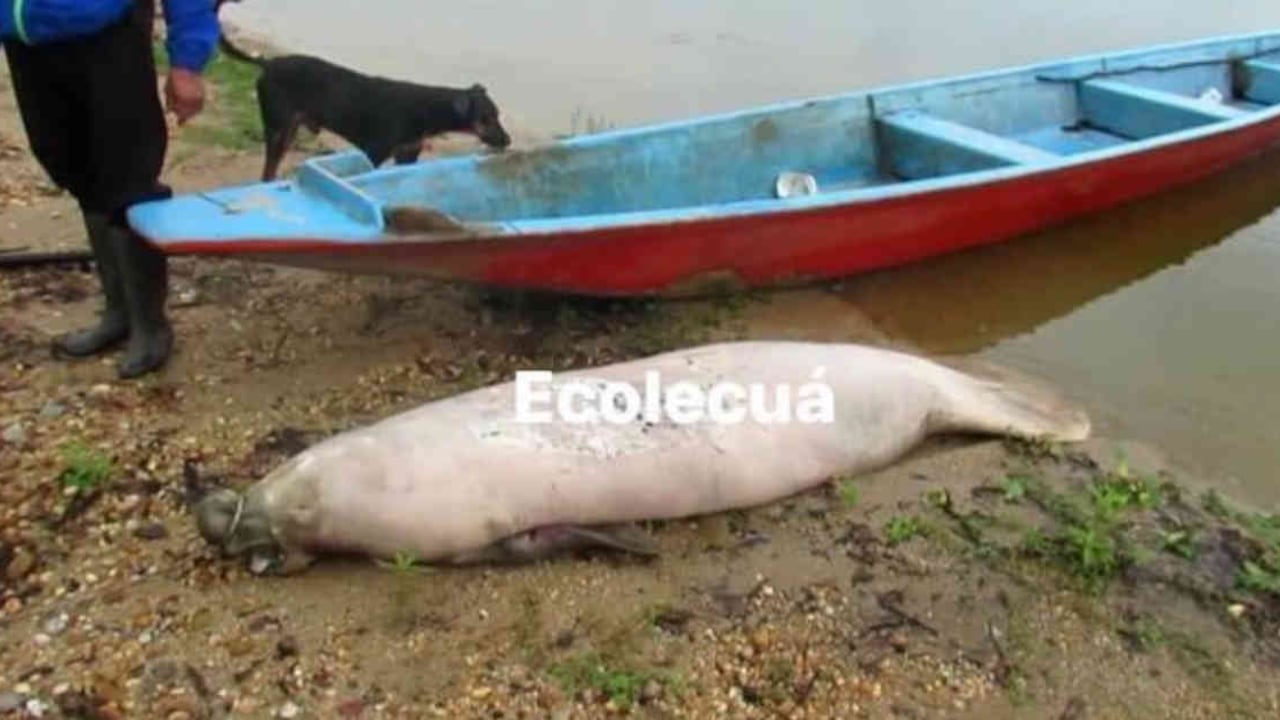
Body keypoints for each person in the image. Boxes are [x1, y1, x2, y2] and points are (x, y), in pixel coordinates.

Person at [1, 0, 218, 378]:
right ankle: (118, 312)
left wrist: (187, 61)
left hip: (107, 38)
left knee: (129, 175)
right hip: (26, 40)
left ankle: (150, 325)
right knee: (73, 168)